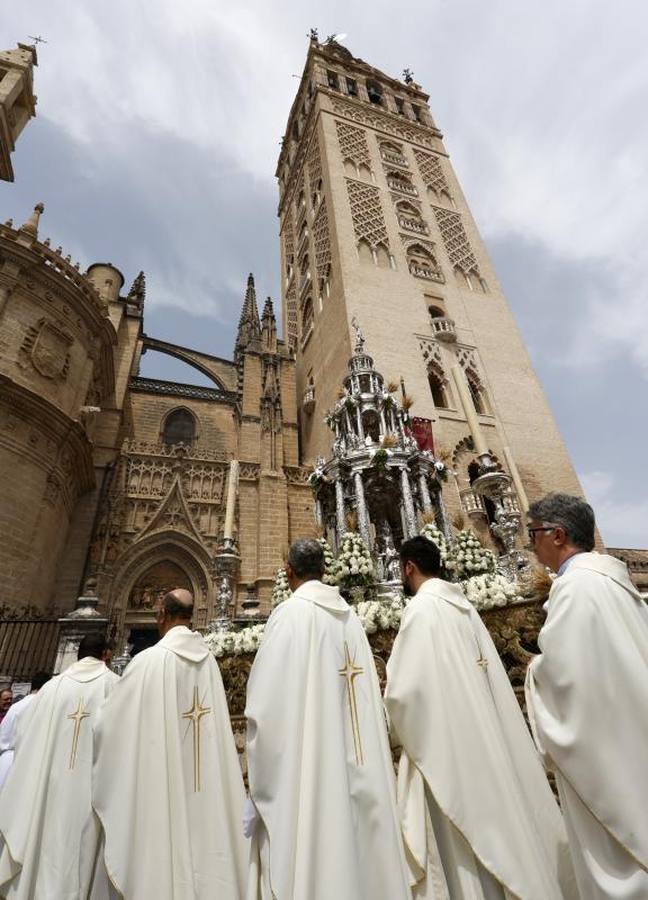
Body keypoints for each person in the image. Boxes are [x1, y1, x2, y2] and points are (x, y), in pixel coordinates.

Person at [385, 536, 576, 900]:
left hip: (452, 746)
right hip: (488, 733)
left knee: (466, 840)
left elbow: (405, 694)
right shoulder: (463, 607)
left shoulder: (422, 611)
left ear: (408, 567)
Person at [244, 539, 412, 900]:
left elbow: (265, 706)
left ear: (288, 572)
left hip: (311, 761)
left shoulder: (289, 615)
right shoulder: (348, 616)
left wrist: (262, 770)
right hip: (360, 754)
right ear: (324, 569)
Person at [525, 493, 648, 899]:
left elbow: (567, 675)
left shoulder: (576, 589)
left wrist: (532, 672)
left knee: (620, 854)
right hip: (632, 725)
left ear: (557, 535)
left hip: (610, 748)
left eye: (534, 533)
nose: (531, 543)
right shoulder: (614, 582)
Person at [92, 588, 247, 899]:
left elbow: (110, 726)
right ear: (190, 618)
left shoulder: (147, 661)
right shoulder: (209, 662)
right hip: (205, 775)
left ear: (161, 615)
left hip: (159, 775)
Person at [0, 634, 118, 898]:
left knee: (44, 843)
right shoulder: (115, 685)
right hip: (91, 792)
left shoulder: (52, 688)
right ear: (107, 654)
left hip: (49, 787)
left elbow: (25, 736)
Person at [0, 671, 50, 789]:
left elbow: (3, 736)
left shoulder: (16, 707)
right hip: (28, 762)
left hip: (7, 761)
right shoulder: (46, 707)